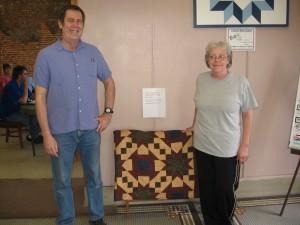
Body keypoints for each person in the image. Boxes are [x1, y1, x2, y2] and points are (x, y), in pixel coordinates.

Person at [33, 5, 115, 225]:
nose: (75, 25)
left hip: (91, 129)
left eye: (79, 21)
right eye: (70, 21)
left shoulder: (93, 52)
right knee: (62, 181)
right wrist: (46, 134)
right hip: (60, 131)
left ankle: (96, 218)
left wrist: (107, 113)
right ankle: (67, 220)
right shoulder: (46, 56)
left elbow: (109, 82)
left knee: (95, 178)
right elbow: (40, 97)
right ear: (61, 24)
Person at [186, 41, 258, 225]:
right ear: (207, 60)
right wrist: (194, 124)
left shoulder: (240, 82)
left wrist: (245, 145)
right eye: (212, 56)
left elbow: (248, 115)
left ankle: (224, 221)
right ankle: (210, 221)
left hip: (227, 147)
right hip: (203, 144)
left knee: (224, 190)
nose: (216, 60)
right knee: (207, 189)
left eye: (221, 56)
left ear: (228, 59)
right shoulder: (201, 79)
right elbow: (199, 105)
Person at [0, 65, 42, 143]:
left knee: (39, 116)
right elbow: (23, 101)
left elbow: (32, 96)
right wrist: (26, 87)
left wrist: (42, 97)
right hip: (8, 114)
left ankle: (33, 135)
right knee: (35, 119)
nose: (27, 76)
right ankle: (33, 136)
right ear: (19, 76)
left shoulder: (21, 85)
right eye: (25, 74)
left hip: (17, 110)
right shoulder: (11, 86)